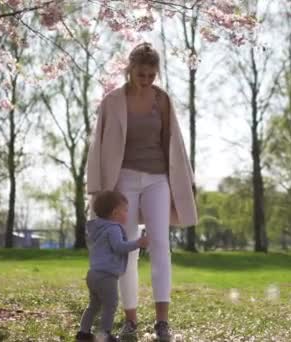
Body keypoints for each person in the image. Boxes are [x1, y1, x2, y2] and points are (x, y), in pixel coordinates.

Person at [86, 42, 198, 341]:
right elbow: (98, 145)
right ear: (130, 69)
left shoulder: (162, 101)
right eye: (141, 74)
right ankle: (131, 319)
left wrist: (186, 181)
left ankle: (162, 321)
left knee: (160, 244)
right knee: (128, 248)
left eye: (151, 75)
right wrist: (97, 187)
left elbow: (175, 143)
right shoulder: (112, 102)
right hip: (122, 180)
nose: (146, 79)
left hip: (157, 178)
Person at [76, 191, 149, 342]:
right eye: (126, 210)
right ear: (116, 213)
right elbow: (118, 247)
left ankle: (83, 332)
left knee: (94, 305)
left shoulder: (97, 228)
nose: (127, 214)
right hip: (106, 276)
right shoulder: (113, 228)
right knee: (111, 305)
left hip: (93, 274)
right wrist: (137, 243)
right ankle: (104, 334)